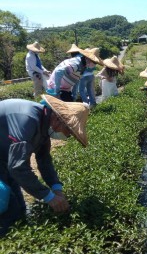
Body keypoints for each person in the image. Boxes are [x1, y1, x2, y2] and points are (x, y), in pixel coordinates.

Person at [0, 95, 89, 237]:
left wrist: (56, 188)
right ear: (58, 120)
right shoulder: (28, 121)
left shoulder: (43, 124)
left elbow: (44, 161)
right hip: (4, 159)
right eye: (69, 131)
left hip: (4, 157)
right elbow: (18, 168)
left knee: (20, 208)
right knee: (9, 208)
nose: (68, 136)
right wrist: (48, 196)